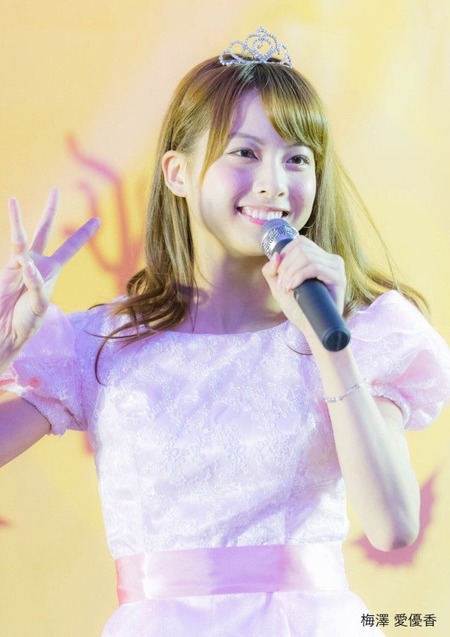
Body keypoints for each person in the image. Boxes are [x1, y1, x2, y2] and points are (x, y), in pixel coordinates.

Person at [1, 26, 449, 637]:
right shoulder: (104, 345)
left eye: (297, 158)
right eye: (244, 153)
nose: (275, 183)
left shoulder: (359, 329)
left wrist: (329, 344)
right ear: (177, 173)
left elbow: (393, 526)